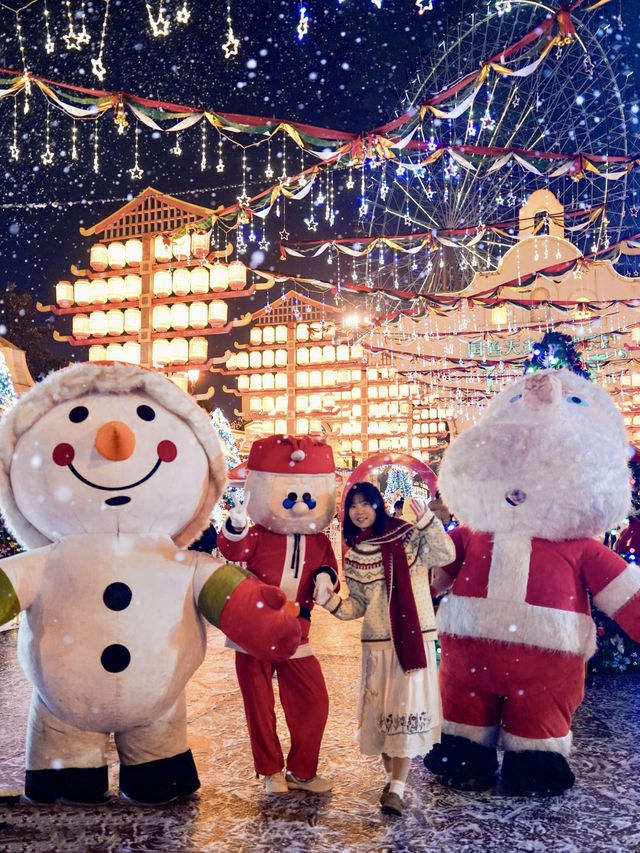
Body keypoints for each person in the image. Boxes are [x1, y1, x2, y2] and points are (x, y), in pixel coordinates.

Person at [313, 482, 455, 816]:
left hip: (413, 640)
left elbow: (446, 555)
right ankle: (394, 782)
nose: (359, 510)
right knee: (383, 719)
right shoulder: (354, 554)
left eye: (366, 503)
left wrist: (428, 525)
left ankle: (398, 787)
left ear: (379, 505)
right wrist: (330, 602)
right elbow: (357, 605)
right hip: (377, 644)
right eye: (353, 505)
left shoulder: (410, 536)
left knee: (403, 716)